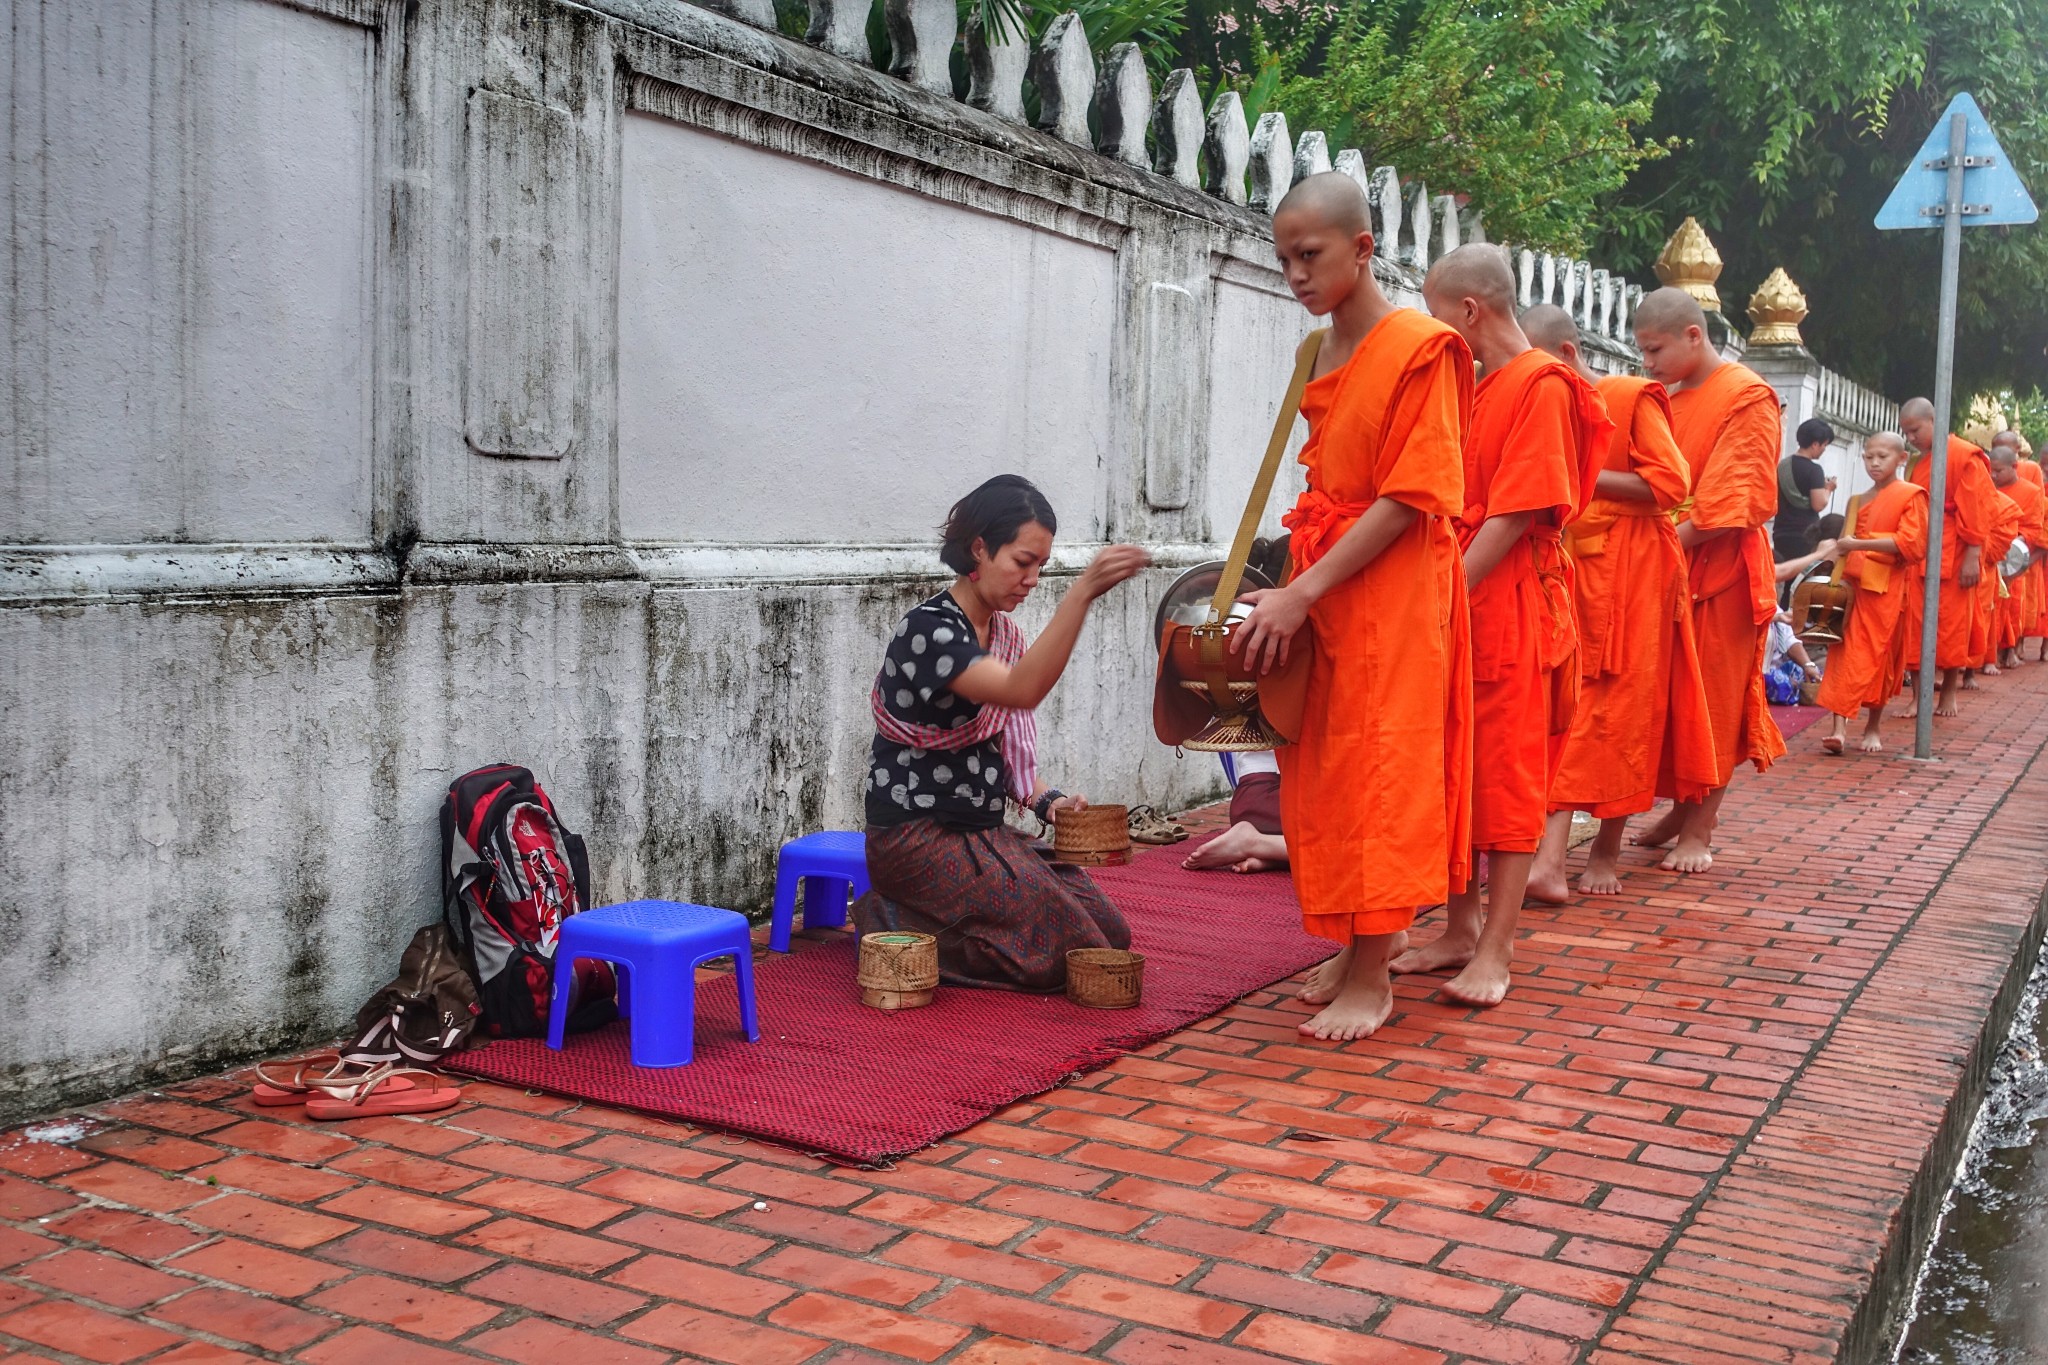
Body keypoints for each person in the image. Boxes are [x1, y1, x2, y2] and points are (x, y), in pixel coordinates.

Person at [1231, 172, 1474, 1042]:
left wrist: (1304, 589)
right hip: (1324, 578)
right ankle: (1354, 942)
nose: (1295, 274)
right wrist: (1290, 584)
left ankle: (1375, 974)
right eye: (1284, 258)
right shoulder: (1319, 350)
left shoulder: (1422, 346)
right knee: (1325, 764)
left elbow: (1412, 496)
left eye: (1310, 255)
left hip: (1393, 587)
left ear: (1363, 248)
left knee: (1380, 766)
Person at [1392, 248, 1608, 1007]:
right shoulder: (1482, 387)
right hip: (1468, 593)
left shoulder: (1542, 384)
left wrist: (1448, 592)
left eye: (1435, 311)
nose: (1432, 328)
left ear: (1469, 311)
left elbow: (1517, 513)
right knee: (1463, 770)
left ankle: (1497, 948)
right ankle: (1459, 926)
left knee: (1509, 775)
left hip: (1509, 599)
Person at [856, 476, 1151, 991]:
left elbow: (1005, 747)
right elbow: (1019, 691)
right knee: (1063, 954)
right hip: (916, 838)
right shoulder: (930, 631)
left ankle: (946, 924)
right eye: (1022, 562)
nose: (1032, 578)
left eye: (1041, 566)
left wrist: (1048, 803)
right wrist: (1081, 593)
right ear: (979, 549)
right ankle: (888, 918)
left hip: (980, 830)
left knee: (1109, 932)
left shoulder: (1002, 633)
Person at [1519, 305, 1716, 901]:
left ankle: (1598, 850)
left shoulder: (1629, 397)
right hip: (1572, 572)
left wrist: (1576, 472)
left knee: (1621, 711)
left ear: (1568, 356)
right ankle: (1546, 857)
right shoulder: (1539, 404)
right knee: (1568, 711)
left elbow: (1671, 486)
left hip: (1635, 574)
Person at [1629, 288, 1787, 874]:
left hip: (1720, 571)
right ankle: (1678, 808)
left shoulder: (1747, 396)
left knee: (1713, 701)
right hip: (1668, 561)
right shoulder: (1667, 397)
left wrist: (1658, 541)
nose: (1648, 363)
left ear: (1693, 336)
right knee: (1665, 698)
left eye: (1655, 349)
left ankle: (1699, 828)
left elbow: (1733, 499)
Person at [1814, 433, 1927, 754]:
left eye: (1882, 457)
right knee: (1843, 656)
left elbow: (1911, 544)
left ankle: (1873, 727)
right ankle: (1838, 730)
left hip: (1887, 591)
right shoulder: (1856, 501)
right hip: (1853, 589)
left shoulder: (1911, 496)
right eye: (1868, 457)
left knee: (1879, 658)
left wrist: (1860, 544)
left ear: (1901, 459)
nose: (1874, 463)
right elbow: (1843, 546)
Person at [1898, 397, 1997, 717]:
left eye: (1915, 430)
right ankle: (1917, 697)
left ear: (1934, 421)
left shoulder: (1964, 456)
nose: (1910, 438)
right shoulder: (1918, 462)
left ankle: (1949, 692)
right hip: (1920, 550)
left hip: (1955, 552)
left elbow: (1978, 510)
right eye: (1906, 433)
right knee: (1915, 624)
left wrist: (1973, 553)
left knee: (1952, 626)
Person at [1181, 751, 1288, 873]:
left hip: (1250, 799)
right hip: (1277, 804)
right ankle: (1255, 843)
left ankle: (1273, 855)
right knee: (1314, 852)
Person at [1989, 441, 2043, 670]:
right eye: (1991, 470)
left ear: (2014, 466)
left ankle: (2006, 650)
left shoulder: (2032, 493)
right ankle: (1987, 655)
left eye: (1998, 471)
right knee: (1989, 607)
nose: (1993, 475)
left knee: (2011, 607)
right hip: (1991, 554)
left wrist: (2018, 542)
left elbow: (2035, 528)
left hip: (2014, 558)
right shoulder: (1988, 488)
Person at [1774, 418, 1839, 579]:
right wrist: (1828, 489)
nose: (1824, 449)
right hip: (1804, 534)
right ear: (1815, 444)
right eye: (1824, 445)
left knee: (1782, 577)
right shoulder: (1814, 470)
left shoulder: (1783, 465)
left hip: (1781, 531)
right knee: (1799, 580)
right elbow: (1818, 504)